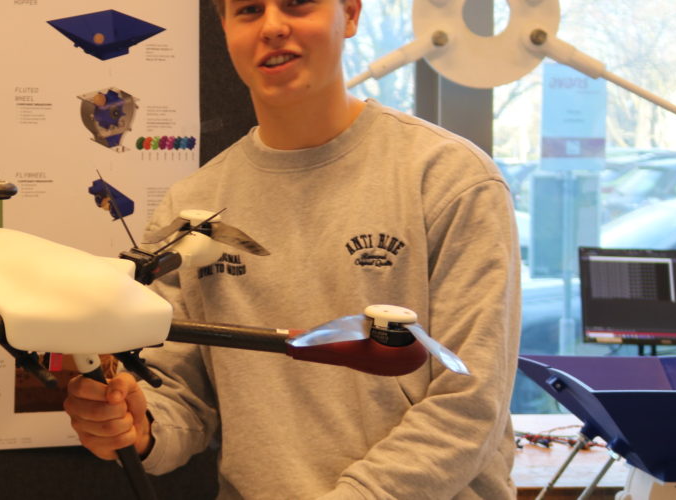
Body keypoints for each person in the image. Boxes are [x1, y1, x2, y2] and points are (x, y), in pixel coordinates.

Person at [63, 0, 520, 498]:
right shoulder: (193, 207)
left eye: (297, 4)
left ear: (349, 14)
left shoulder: (450, 180)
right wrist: (139, 425)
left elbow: (469, 403)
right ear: (225, 30)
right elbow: (182, 401)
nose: (273, 27)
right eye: (250, 10)